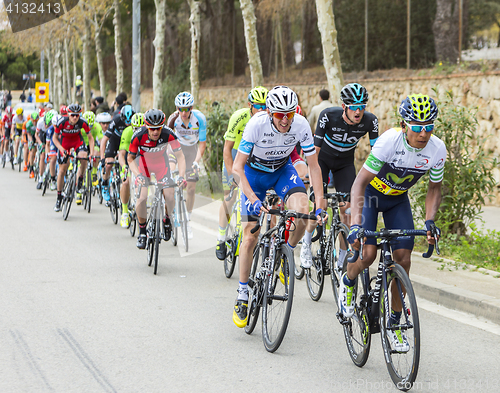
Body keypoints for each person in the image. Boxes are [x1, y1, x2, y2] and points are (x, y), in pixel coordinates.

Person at [340, 94, 446, 352]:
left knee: (403, 258)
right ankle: (349, 282)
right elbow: (359, 183)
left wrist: (430, 221)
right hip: (371, 197)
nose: (424, 133)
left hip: (398, 200)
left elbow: (435, 189)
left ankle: (396, 322)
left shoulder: (437, 149)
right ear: (404, 125)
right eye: (417, 127)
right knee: (367, 253)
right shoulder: (389, 141)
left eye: (429, 126)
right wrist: (355, 223)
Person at [231, 86, 325, 328]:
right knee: (250, 235)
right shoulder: (256, 124)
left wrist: (321, 202)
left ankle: (286, 252)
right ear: (270, 112)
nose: (285, 120)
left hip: (281, 171)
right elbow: (237, 168)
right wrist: (252, 198)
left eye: (289, 114)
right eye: (279, 115)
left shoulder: (301, 124)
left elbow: (313, 167)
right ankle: (242, 294)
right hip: (253, 175)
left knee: (303, 212)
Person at [300, 83, 379, 270]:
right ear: (344, 106)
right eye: (354, 107)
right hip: (323, 162)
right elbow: (315, 151)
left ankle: (342, 259)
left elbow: (377, 153)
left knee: (347, 211)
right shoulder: (328, 115)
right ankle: (306, 242)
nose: (358, 112)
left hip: (344, 165)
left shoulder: (370, 121)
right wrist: (310, 178)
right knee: (321, 204)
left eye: (362, 107)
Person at [215, 86, 268, 260]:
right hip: (235, 154)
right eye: (258, 106)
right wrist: (232, 175)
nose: (261, 110)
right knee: (229, 198)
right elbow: (227, 148)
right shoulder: (239, 117)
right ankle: (221, 237)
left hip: (254, 158)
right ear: (249, 105)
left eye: (264, 105)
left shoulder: (269, 119)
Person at [128, 109, 187, 249]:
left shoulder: (168, 134)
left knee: (170, 196)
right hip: (144, 167)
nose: (155, 132)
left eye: (158, 128)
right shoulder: (138, 135)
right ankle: (142, 232)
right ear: (147, 126)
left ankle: (167, 219)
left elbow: (180, 157)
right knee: (142, 199)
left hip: (162, 167)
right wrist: (138, 175)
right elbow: (130, 159)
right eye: (152, 129)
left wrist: (181, 177)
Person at [167, 92, 207, 239]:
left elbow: (202, 145)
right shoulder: (173, 119)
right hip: (175, 149)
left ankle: (187, 219)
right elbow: (167, 140)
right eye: (180, 109)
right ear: (177, 108)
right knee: (171, 176)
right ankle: (170, 214)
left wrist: (196, 162)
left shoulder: (200, 119)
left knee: (191, 188)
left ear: (191, 108)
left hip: (192, 151)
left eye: (187, 109)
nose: (183, 113)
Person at [52, 103, 94, 212]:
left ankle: (80, 179)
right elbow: (55, 139)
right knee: (62, 170)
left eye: (77, 115)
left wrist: (92, 153)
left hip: (77, 142)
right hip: (64, 143)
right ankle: (59, 196)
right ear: (68, 114)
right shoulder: (62, 122)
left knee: (84, 157)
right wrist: (61, 149)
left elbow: (90, 138)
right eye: (72, 115)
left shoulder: (83, 122)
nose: (75, 117)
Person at [100, 105, 135, 205]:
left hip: (127, 143)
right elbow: (104, 140)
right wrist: (103, 158)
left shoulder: (136, 121)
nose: (128, 124)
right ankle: (105, 183)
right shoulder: (115, 120)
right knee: (109, 163)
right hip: (114, 141)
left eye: (130, 122)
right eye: (125, 122)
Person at [118, 112, 144, 227]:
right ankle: (124, 212)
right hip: (129, 158)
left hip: (142, 158)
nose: (138, 131)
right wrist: (124, 166)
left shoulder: (148, 133)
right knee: (126, 182)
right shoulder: (127, 132)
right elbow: (122, 153)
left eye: (141, 128)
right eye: (136, 129)